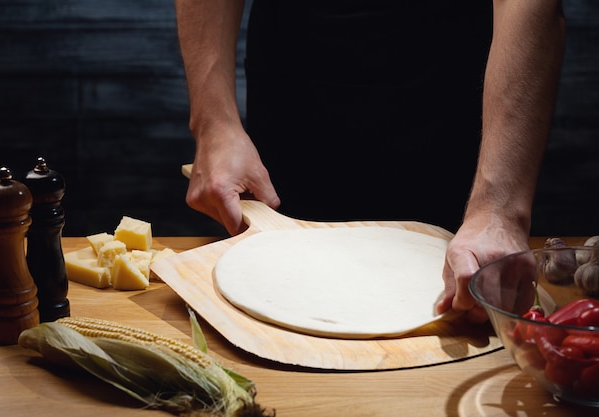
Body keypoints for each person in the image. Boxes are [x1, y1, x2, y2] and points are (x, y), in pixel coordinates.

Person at [174, 0, 566, 323]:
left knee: (476, 293)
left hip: (461, 100)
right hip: (296, 83)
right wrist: (213, 123)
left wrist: (498, 211)